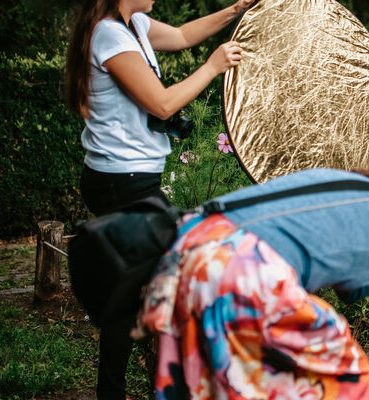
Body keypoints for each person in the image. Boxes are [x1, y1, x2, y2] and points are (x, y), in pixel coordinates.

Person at [136, 143, 369, 399]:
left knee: (202, 383)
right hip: (243, 267)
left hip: (189, 244)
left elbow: (352, 290)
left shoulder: (340, 182)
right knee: (350, 375)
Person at [63, 0, 251, 397]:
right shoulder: (110, 35)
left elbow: (183, 36)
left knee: (140, 288)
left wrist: (234, 10)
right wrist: (213, 66)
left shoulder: (135, 25)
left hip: (131, 180)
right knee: (151, 285)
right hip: (121, 183)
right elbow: (162, 103)